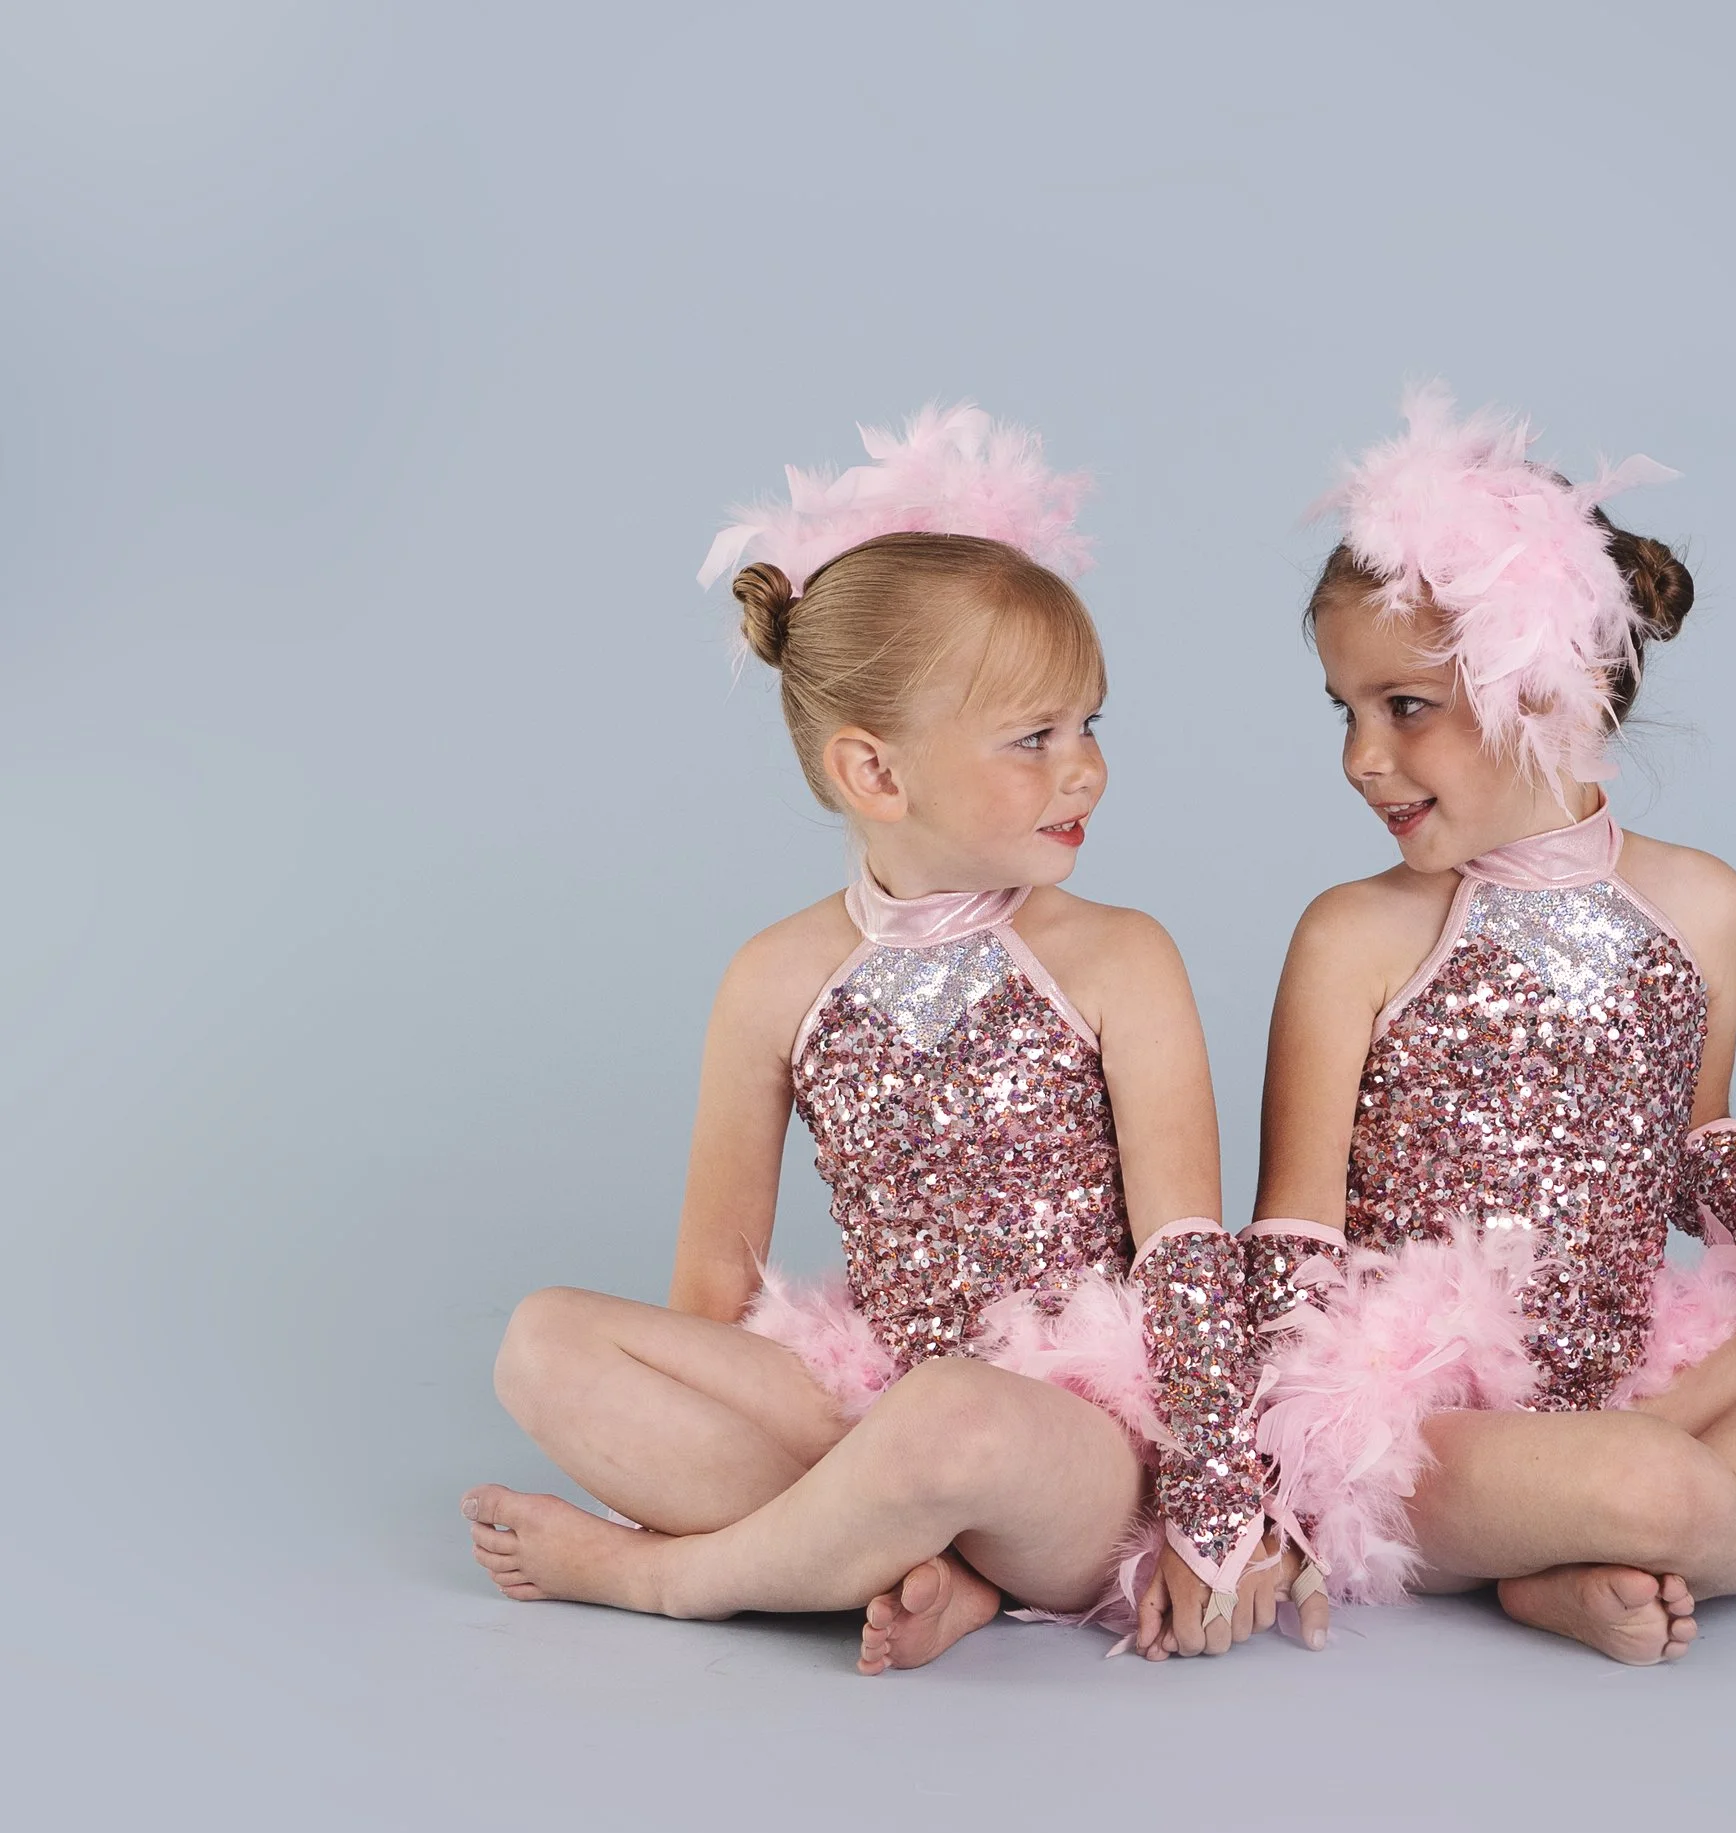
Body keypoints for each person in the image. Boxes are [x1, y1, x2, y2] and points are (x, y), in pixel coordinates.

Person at [461, 405, 1319, 1672]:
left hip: (1075, 1448)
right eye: (1033, 738)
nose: (1082, 770)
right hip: (868, 1403)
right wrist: (676, 1420)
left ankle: (671, 1581)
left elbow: (1191, 1262)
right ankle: (913, 1557)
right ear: (875, 774)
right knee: (543, 1341)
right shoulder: (776, 978)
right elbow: (715, 1297)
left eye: (1088, 724)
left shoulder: (1119, 957)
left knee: (952, 1416)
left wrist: (1216, 1502)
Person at [1250, 384, 1736, 1663]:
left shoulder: (1700, 903)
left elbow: (1696, 1148)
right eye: (1344, 711)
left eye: (1403, 707)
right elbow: (1293, 1237)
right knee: (1639, 1480)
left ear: (1546, 690)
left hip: (1634, 1384)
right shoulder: (1355, 933)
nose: (1359, 757)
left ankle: (1574, 1568)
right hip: (1434, 1444)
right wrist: (1249, 1479)